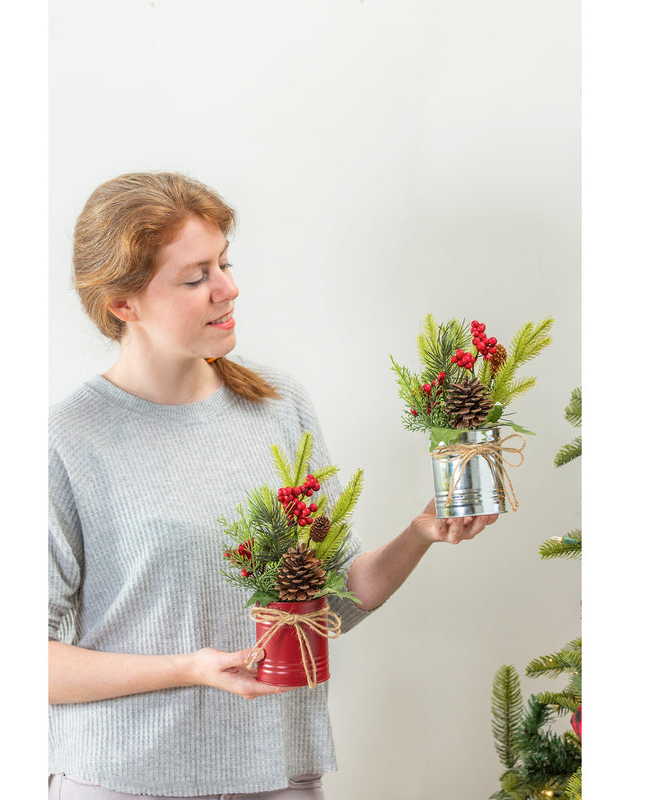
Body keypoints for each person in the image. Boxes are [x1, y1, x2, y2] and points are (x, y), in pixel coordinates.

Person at [49, 172, 497, 800]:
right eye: (196, 276)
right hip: (128, 780)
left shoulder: (278, 405)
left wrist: (420, 533)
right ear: (123, 304)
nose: (228, 289)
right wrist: (188, 669)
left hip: (278, 774)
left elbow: (333, 599)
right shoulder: (68, 439)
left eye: (224, 264)